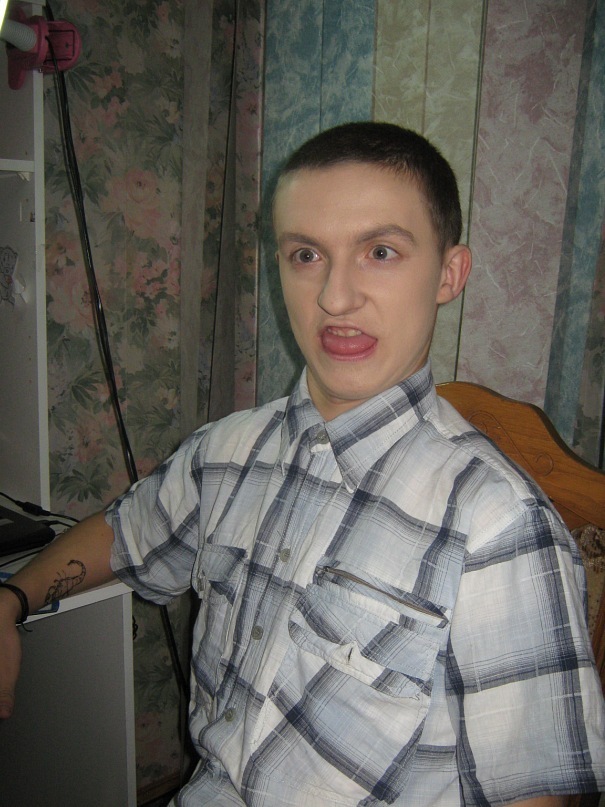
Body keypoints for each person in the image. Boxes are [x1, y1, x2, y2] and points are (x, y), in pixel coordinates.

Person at [0, 122, 603, 807]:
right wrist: (12, 599)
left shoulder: (497, 525)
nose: (334, 298)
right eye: (306, 254)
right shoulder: (226, 452)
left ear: (448, 274)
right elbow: (124, 531)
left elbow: (530, 794)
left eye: (380, 252)